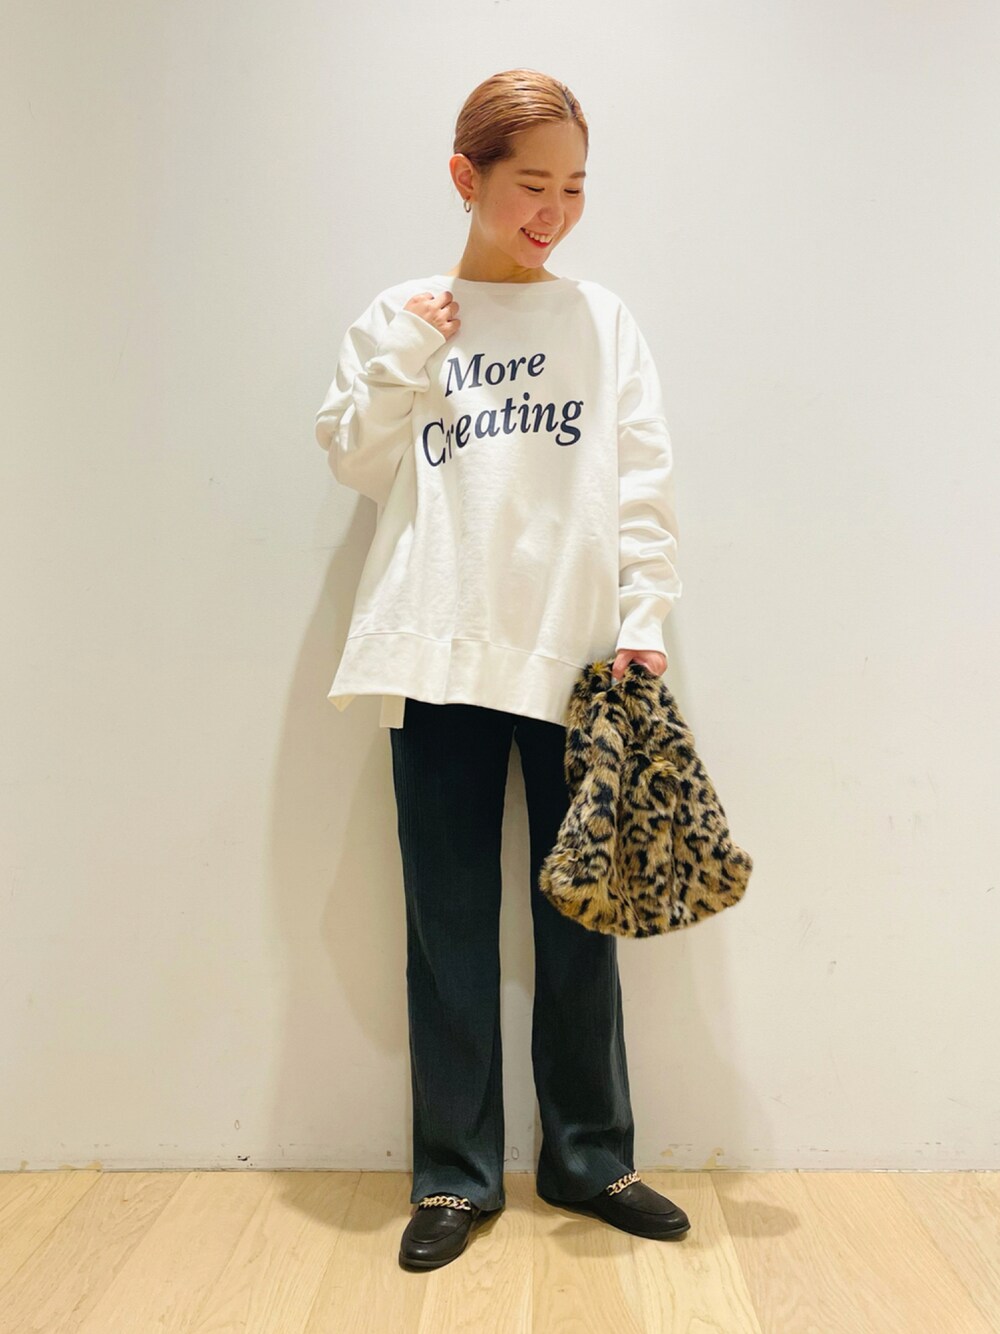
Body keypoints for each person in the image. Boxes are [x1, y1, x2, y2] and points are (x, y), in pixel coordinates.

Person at [314, 69, 690, 1271]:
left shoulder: (602, 320)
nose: (553, 211)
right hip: (436, 649)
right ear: (464, 176)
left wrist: (644, 619)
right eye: (532, 183)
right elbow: (354, 457)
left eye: (573, 186)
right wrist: (410, 349)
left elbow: (642, 480)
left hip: (579, 659)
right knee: (447, 925)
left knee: (582, 920)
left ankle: (588, 1155)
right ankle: (455, 1173)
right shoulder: (405, 313)